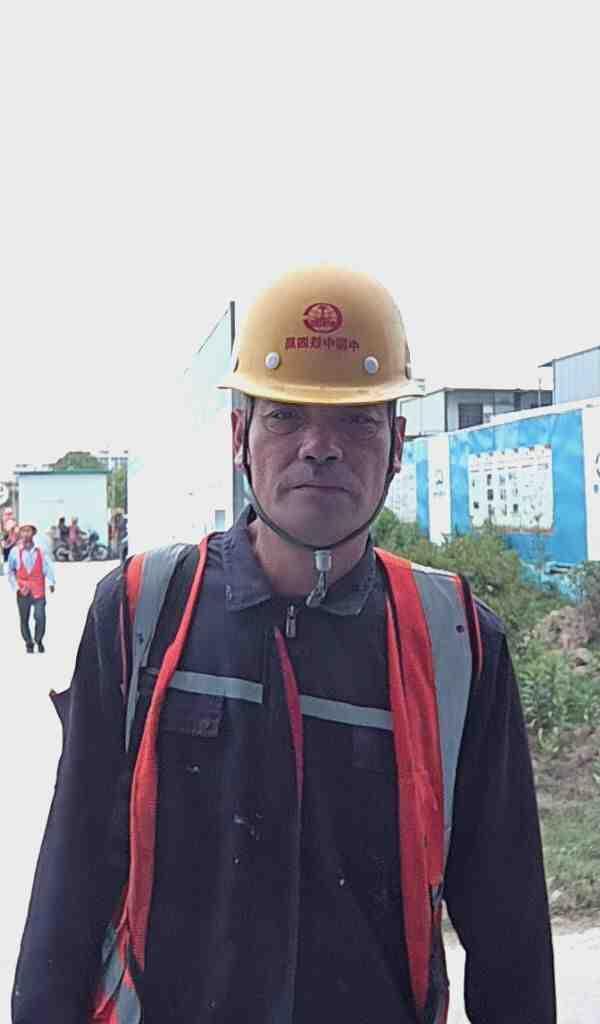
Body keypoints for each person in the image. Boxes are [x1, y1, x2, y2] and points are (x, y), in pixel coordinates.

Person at [12, 266, 556, 1023]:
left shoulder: (457, 642)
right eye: (286, 417)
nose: (319, 448)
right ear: (240, 437)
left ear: (398, 445)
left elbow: (510, 939)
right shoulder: (143, 611)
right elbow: (69, 887)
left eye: (356, 421)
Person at [8, 523, 56, 653]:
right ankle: (28, 642)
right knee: (24, 619)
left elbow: (47, 567)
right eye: (23, 531)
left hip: (38, 589)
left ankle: (38, 639)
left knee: (40, 617)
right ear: (20, 533)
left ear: (33, 533)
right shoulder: (15, 552)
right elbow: (11, 571)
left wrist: (51, 582)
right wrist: (16, 588)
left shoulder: (40, 550)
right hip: (22, 590)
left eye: (28, 530)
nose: (26, 534)